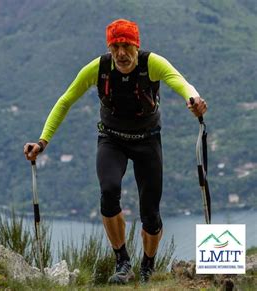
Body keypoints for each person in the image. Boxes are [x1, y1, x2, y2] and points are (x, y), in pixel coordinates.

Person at [23, 19, 207, 284]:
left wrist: (194, 101)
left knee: (151, 214)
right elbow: (65, 101)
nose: (121, 53)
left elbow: (180, 83)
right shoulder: (98, 68)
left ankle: (147, 266)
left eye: (126, 46)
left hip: (147, 140)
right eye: (115, 46)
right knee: (108, 192)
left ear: (136, 46)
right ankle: (122, 262)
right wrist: (42, 142)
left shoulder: (152, 63)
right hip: (112, 139)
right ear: (109, 47)